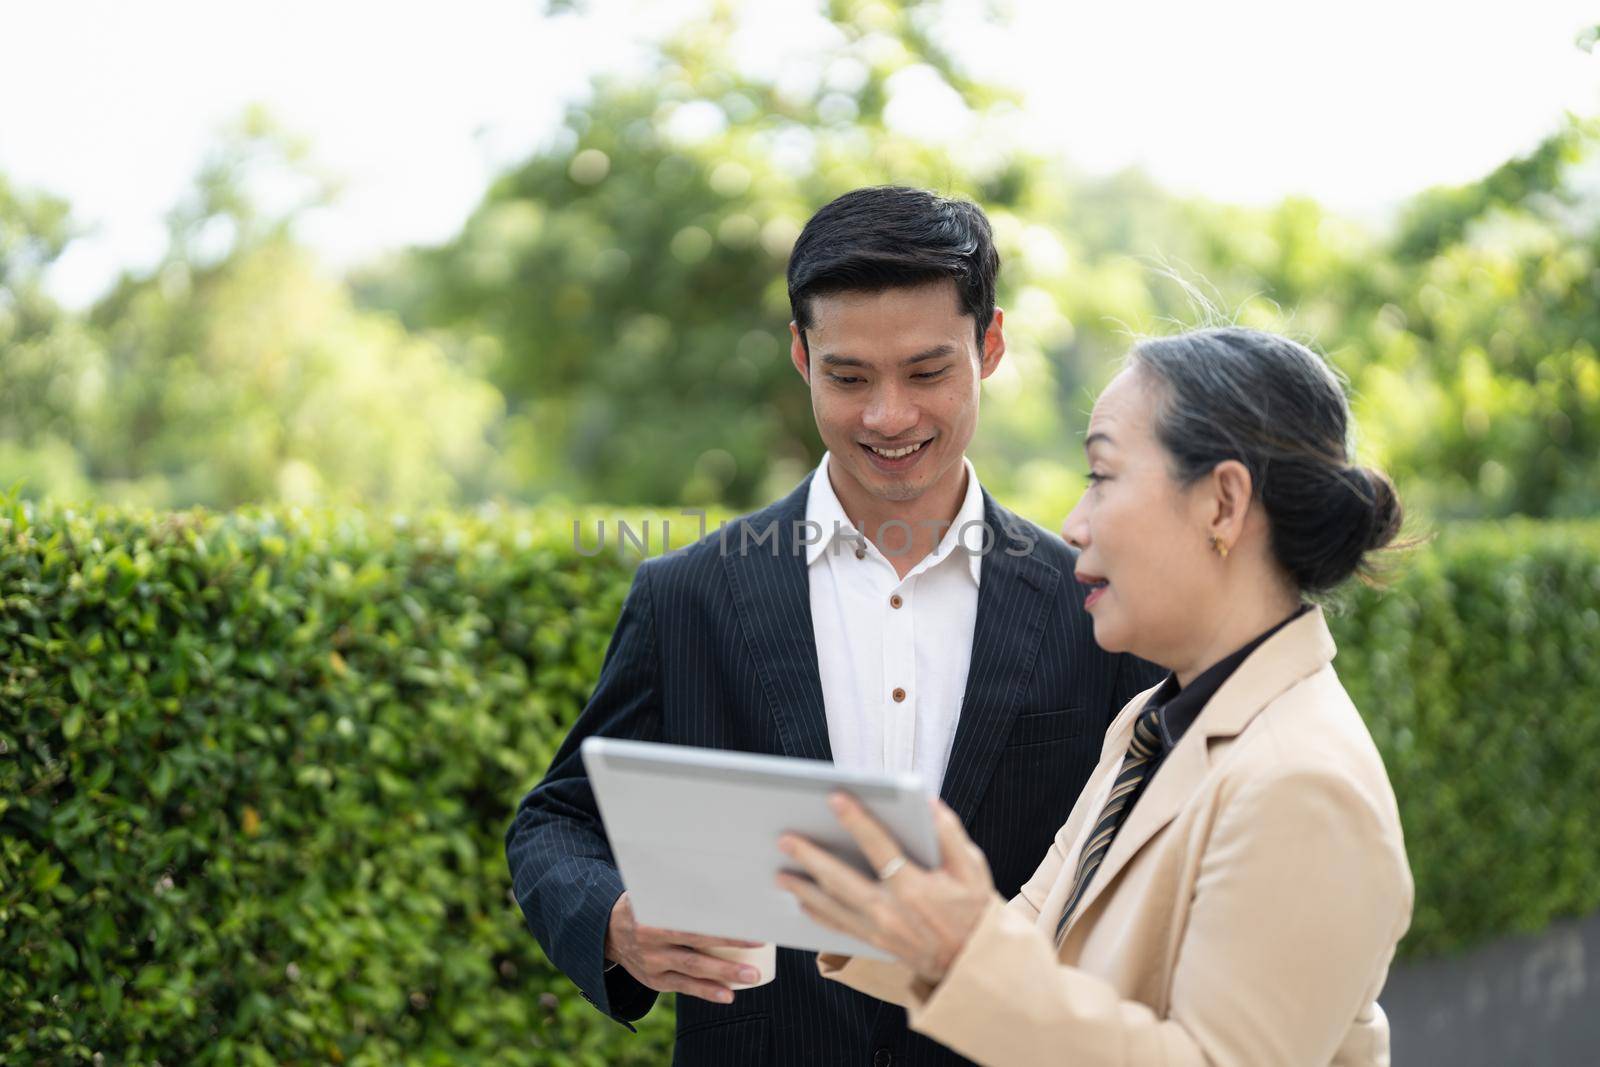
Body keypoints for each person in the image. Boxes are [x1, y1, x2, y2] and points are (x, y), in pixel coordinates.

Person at [504, 186, 1163, 1065]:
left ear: (991, 346)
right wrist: (616, 922)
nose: (888, 416)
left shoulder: (1094, 604)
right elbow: (555, 821)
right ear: (800, 354)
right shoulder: (688, 594)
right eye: (848, 376)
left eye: (927, 372)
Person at [777, 326, 1414, 1066]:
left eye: (1102, 476)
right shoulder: (1151, 721)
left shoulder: (1303, 784)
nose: (1073, 524)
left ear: (1222, 503)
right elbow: (1033, 935)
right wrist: (836, 902)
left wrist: (959, 951)